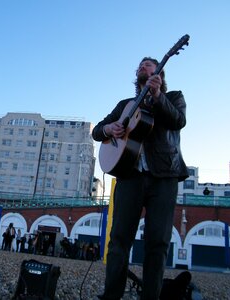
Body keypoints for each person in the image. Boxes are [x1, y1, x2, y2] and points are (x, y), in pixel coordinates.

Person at [93, 57, 189, 300]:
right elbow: (98, 131)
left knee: (158, 242)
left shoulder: (174, 97)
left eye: (148, 64)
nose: (142, 67)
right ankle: (112, 296)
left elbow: (178, 121)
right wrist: (109, 128)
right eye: (140, 65)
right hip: (129, 174)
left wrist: (158, 97)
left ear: (160, 72)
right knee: (119, 239)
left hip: (164, 175)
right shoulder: (125, 104)